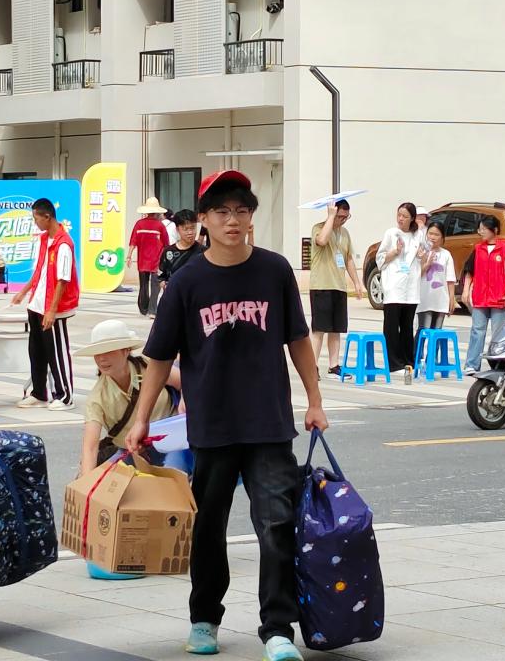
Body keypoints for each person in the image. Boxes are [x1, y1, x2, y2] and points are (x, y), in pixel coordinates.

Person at [124, 170, 327, 661]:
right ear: (205, 219)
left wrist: (315, 401)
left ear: (251, 217)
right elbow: (159, 357)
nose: (232, 220)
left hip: (268, 423)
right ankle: (204, 619)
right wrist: (142, 417)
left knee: (276, 525)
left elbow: (298, 339)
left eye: (241, 211)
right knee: (207, 528)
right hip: (211, 427)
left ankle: (277, 628)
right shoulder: (186, 281)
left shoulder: (275, 270)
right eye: (221, 212)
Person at [77, 319, 182, 475]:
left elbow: (184, 383)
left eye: (108, 351)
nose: (101, 359)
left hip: (174, 444)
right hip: (132, 453)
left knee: (175, 478)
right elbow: (90, 448)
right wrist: (86, 484)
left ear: (126, 351)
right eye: (97, 353)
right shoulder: (97, 398)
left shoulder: (149, 366)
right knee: (105, 483)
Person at [12, 198, 80, 411]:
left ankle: (65, 396)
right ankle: (39, 393)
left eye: (36, 218)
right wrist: (23, 292)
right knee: (37, 351)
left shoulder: (64, 244)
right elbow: (39, 270)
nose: (35, 222)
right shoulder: (43, 240)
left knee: (57, 352)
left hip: (53, 308)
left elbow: (63, 280)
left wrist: (52, 310)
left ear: (47, 217)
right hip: (37, 304)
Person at [309, 200, 365, 378]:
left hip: (339, 286)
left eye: (346, 217)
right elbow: (322, 240)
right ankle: (312, 367)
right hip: (321, 285)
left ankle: (334, 366)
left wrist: (357, 282)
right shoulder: (318, 228)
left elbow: (348, 258)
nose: (343, 220)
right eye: (340, 216)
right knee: (319, 329)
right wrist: (331, 217)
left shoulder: (345, 233)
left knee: (336, 328)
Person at [461, 216, 505, 373]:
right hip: (480, 297)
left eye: (484, 229)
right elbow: (469, 271)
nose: (480, 232)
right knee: (477, 331)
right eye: (479, 228)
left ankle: (498, 365)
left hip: (499, 298)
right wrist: (466, 290)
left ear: (494, 230)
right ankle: (472, 364)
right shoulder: (478, 249)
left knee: (498, 333)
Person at [376, 203, 425, 373]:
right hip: (394, 285)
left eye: (405, 216)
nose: (400, 219)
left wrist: (421, 256)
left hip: (411, 286)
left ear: (412, 218)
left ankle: (407, 360)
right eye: (399, 215)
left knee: (407, 326)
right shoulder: (391, 233)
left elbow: (421, 255)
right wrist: (395, 252)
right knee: (391, 326)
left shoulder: (418, 235)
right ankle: (393, 363)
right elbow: (380, 259)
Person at [127, 197, 170, 317]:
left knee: (143, 285)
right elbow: (166, 244)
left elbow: (133, 241)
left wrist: (129, 256)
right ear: (157, 212)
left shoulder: (139, 224)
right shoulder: (160, 225)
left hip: (142, 260)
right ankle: (152, 311)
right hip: (156, 261)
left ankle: (143, 308)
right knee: (155, 286)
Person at [416, 220, 457, 337]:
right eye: (430, 233)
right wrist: (427, 263)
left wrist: (451, 298)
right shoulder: (421, 252)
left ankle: (434, 350)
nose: (432, 237)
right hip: (425, 298)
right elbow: (417, 274)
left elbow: (450, 279)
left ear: (442, 238)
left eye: (436, 234)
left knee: (437, 332)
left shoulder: (446, 254)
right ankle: (417, 349)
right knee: (424, 329)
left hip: (441, 299)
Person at [158, 209, 203, 289]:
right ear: (177, 229)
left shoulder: (204, 252)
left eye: (193, 228)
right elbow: (161, 275)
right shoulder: (168, 251)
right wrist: (164, 285)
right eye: (186, 229)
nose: (190, 232)